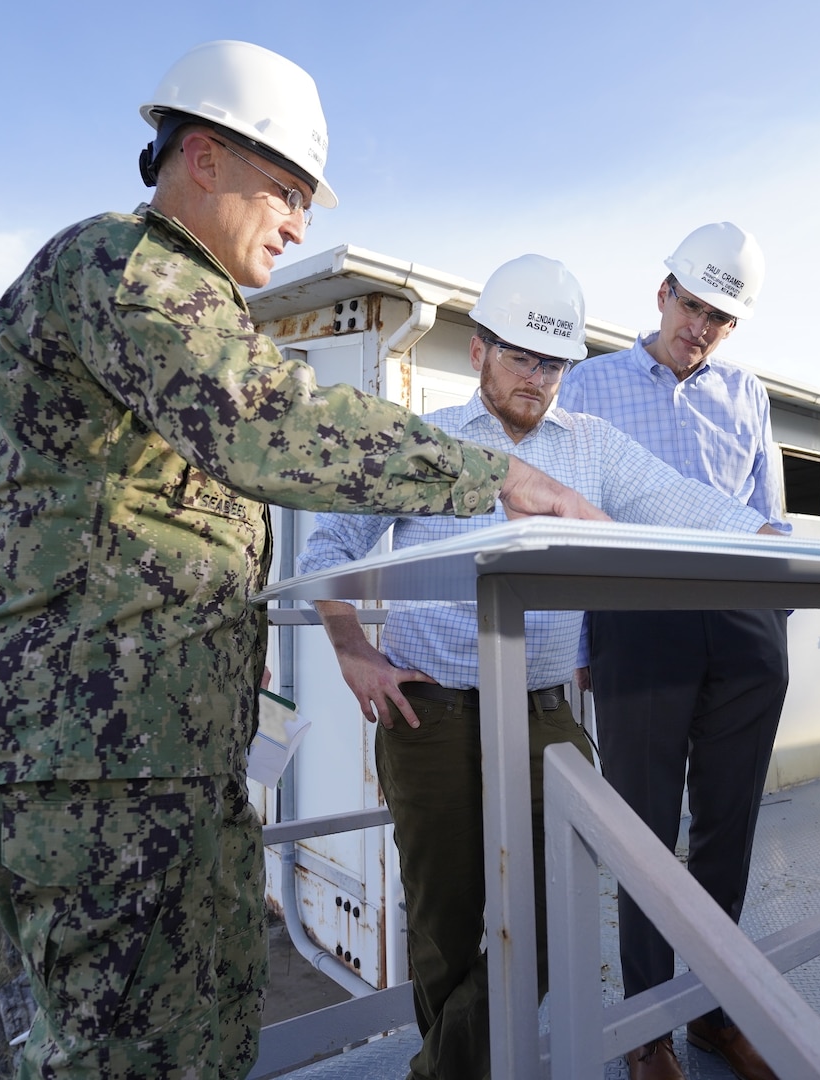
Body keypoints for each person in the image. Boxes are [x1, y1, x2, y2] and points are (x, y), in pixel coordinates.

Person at [0, 44, 602, 1080]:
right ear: (202, 157)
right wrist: (487, 478)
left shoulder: (194, 300)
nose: (300, 223)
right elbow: (261, 422)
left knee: (203, 1033)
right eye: (289, 191)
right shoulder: (125, 268)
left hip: (168, 743)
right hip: (90, 751)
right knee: (120, 1053)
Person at [296, 255, 778, 1080]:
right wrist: (352, 651)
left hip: (543, 711)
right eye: (521, 356)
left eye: (553, 363)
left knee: (557, 917)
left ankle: (441, 1072)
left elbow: (680, 503)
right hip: (431, 712)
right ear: (479, 350)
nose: (538, 378)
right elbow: (330, 546)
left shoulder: (593, 448)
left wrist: (782, 550)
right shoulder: (431, 445)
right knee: (446, 923)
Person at [556, 223, 788, 1080]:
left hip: (742, 620)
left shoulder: (746, 393)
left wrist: (778, 620)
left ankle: (713, 1012)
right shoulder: (588, 384)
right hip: (639, 617)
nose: (701, 328)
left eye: (721, 318)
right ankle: (648, 1026)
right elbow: (571, 514)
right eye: (692, 305)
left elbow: (768, 510)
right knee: (644, 829)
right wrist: (584, 634)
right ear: (663, 293)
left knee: (729, 829)